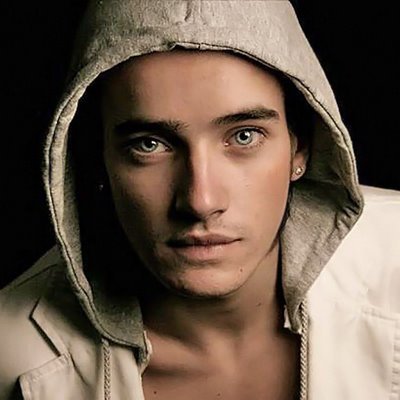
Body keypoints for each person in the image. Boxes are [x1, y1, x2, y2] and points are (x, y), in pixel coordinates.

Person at [1, 0, 399, 399]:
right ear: (98, 160)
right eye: (149, 144)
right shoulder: (11, 351)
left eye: (244, 136)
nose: (200, 201)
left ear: (301, 148)